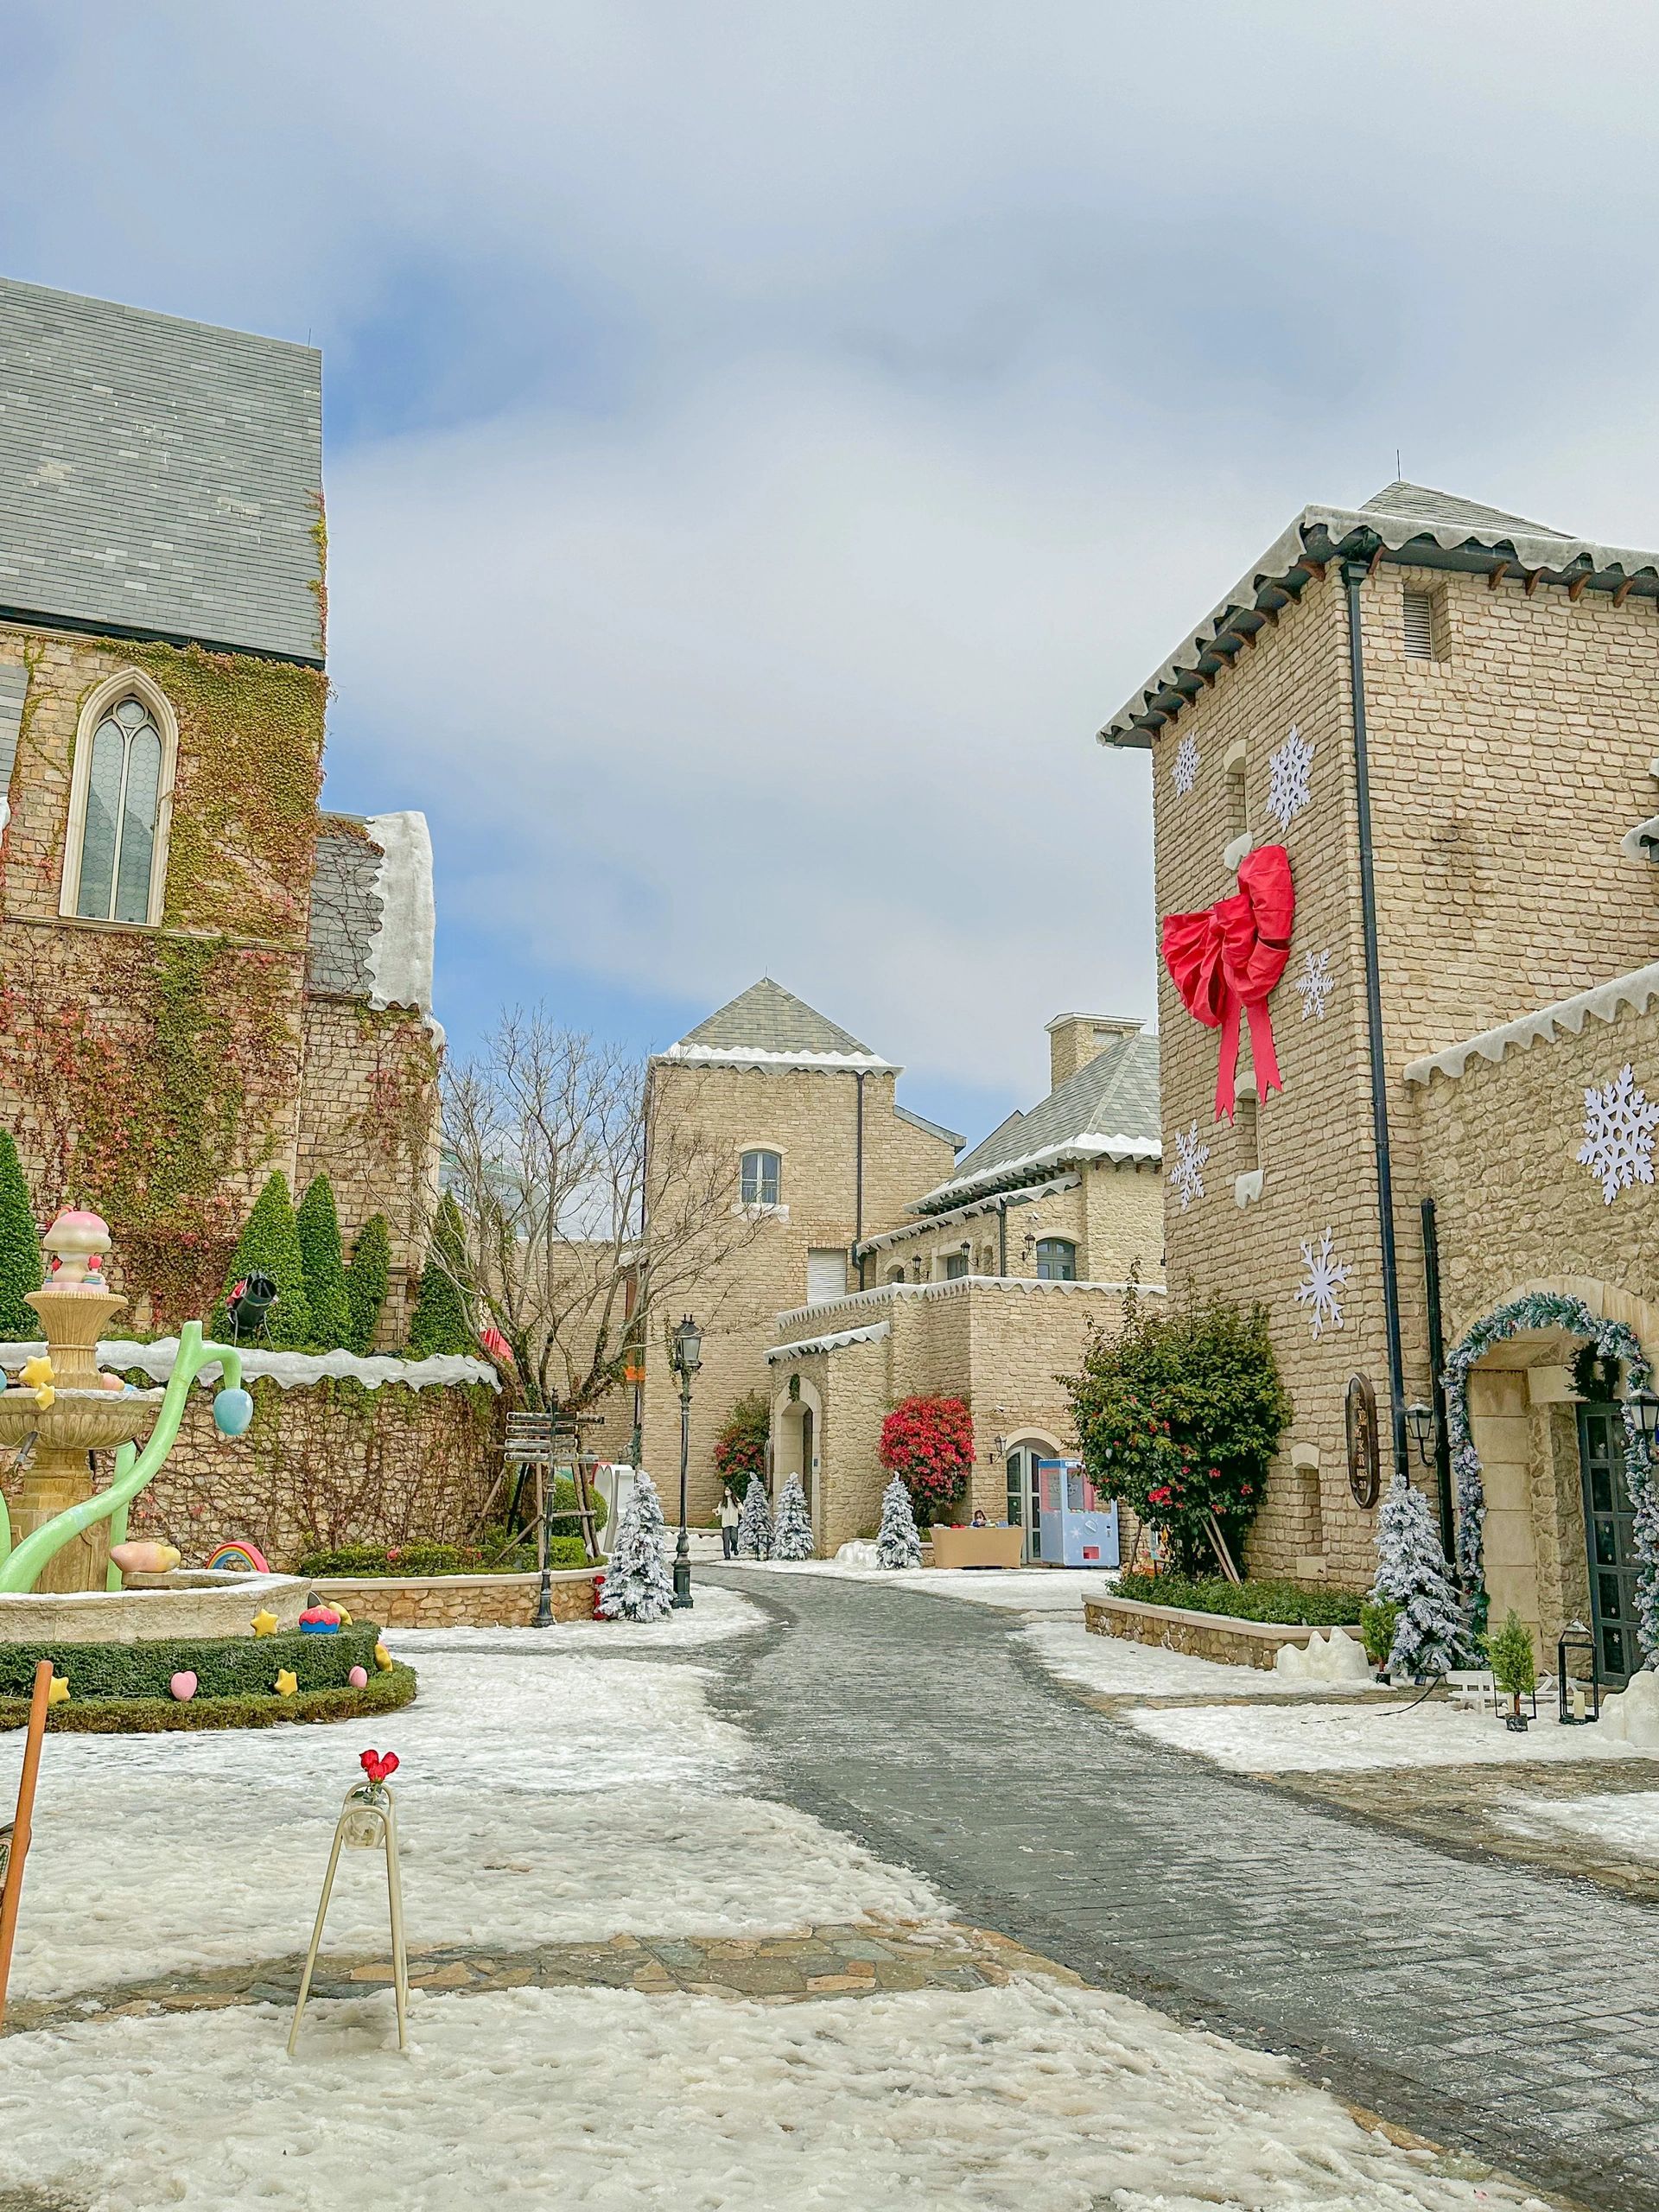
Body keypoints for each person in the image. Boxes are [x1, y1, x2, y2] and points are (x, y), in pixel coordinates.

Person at [719, 1484, 741, 1557]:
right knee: (726, 1539)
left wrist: (741, 1510)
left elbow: (740, 1508)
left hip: (734, 1522)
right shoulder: (723, 1502)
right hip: (725, 1523)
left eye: (728, 1490)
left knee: (734, 1538)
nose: (726, 1492)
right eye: (725, 1490)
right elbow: (720, 1510)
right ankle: (727, 1554)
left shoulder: (735, 1500)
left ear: (731, 1491)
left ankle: (734, 1546)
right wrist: (716, 1511)